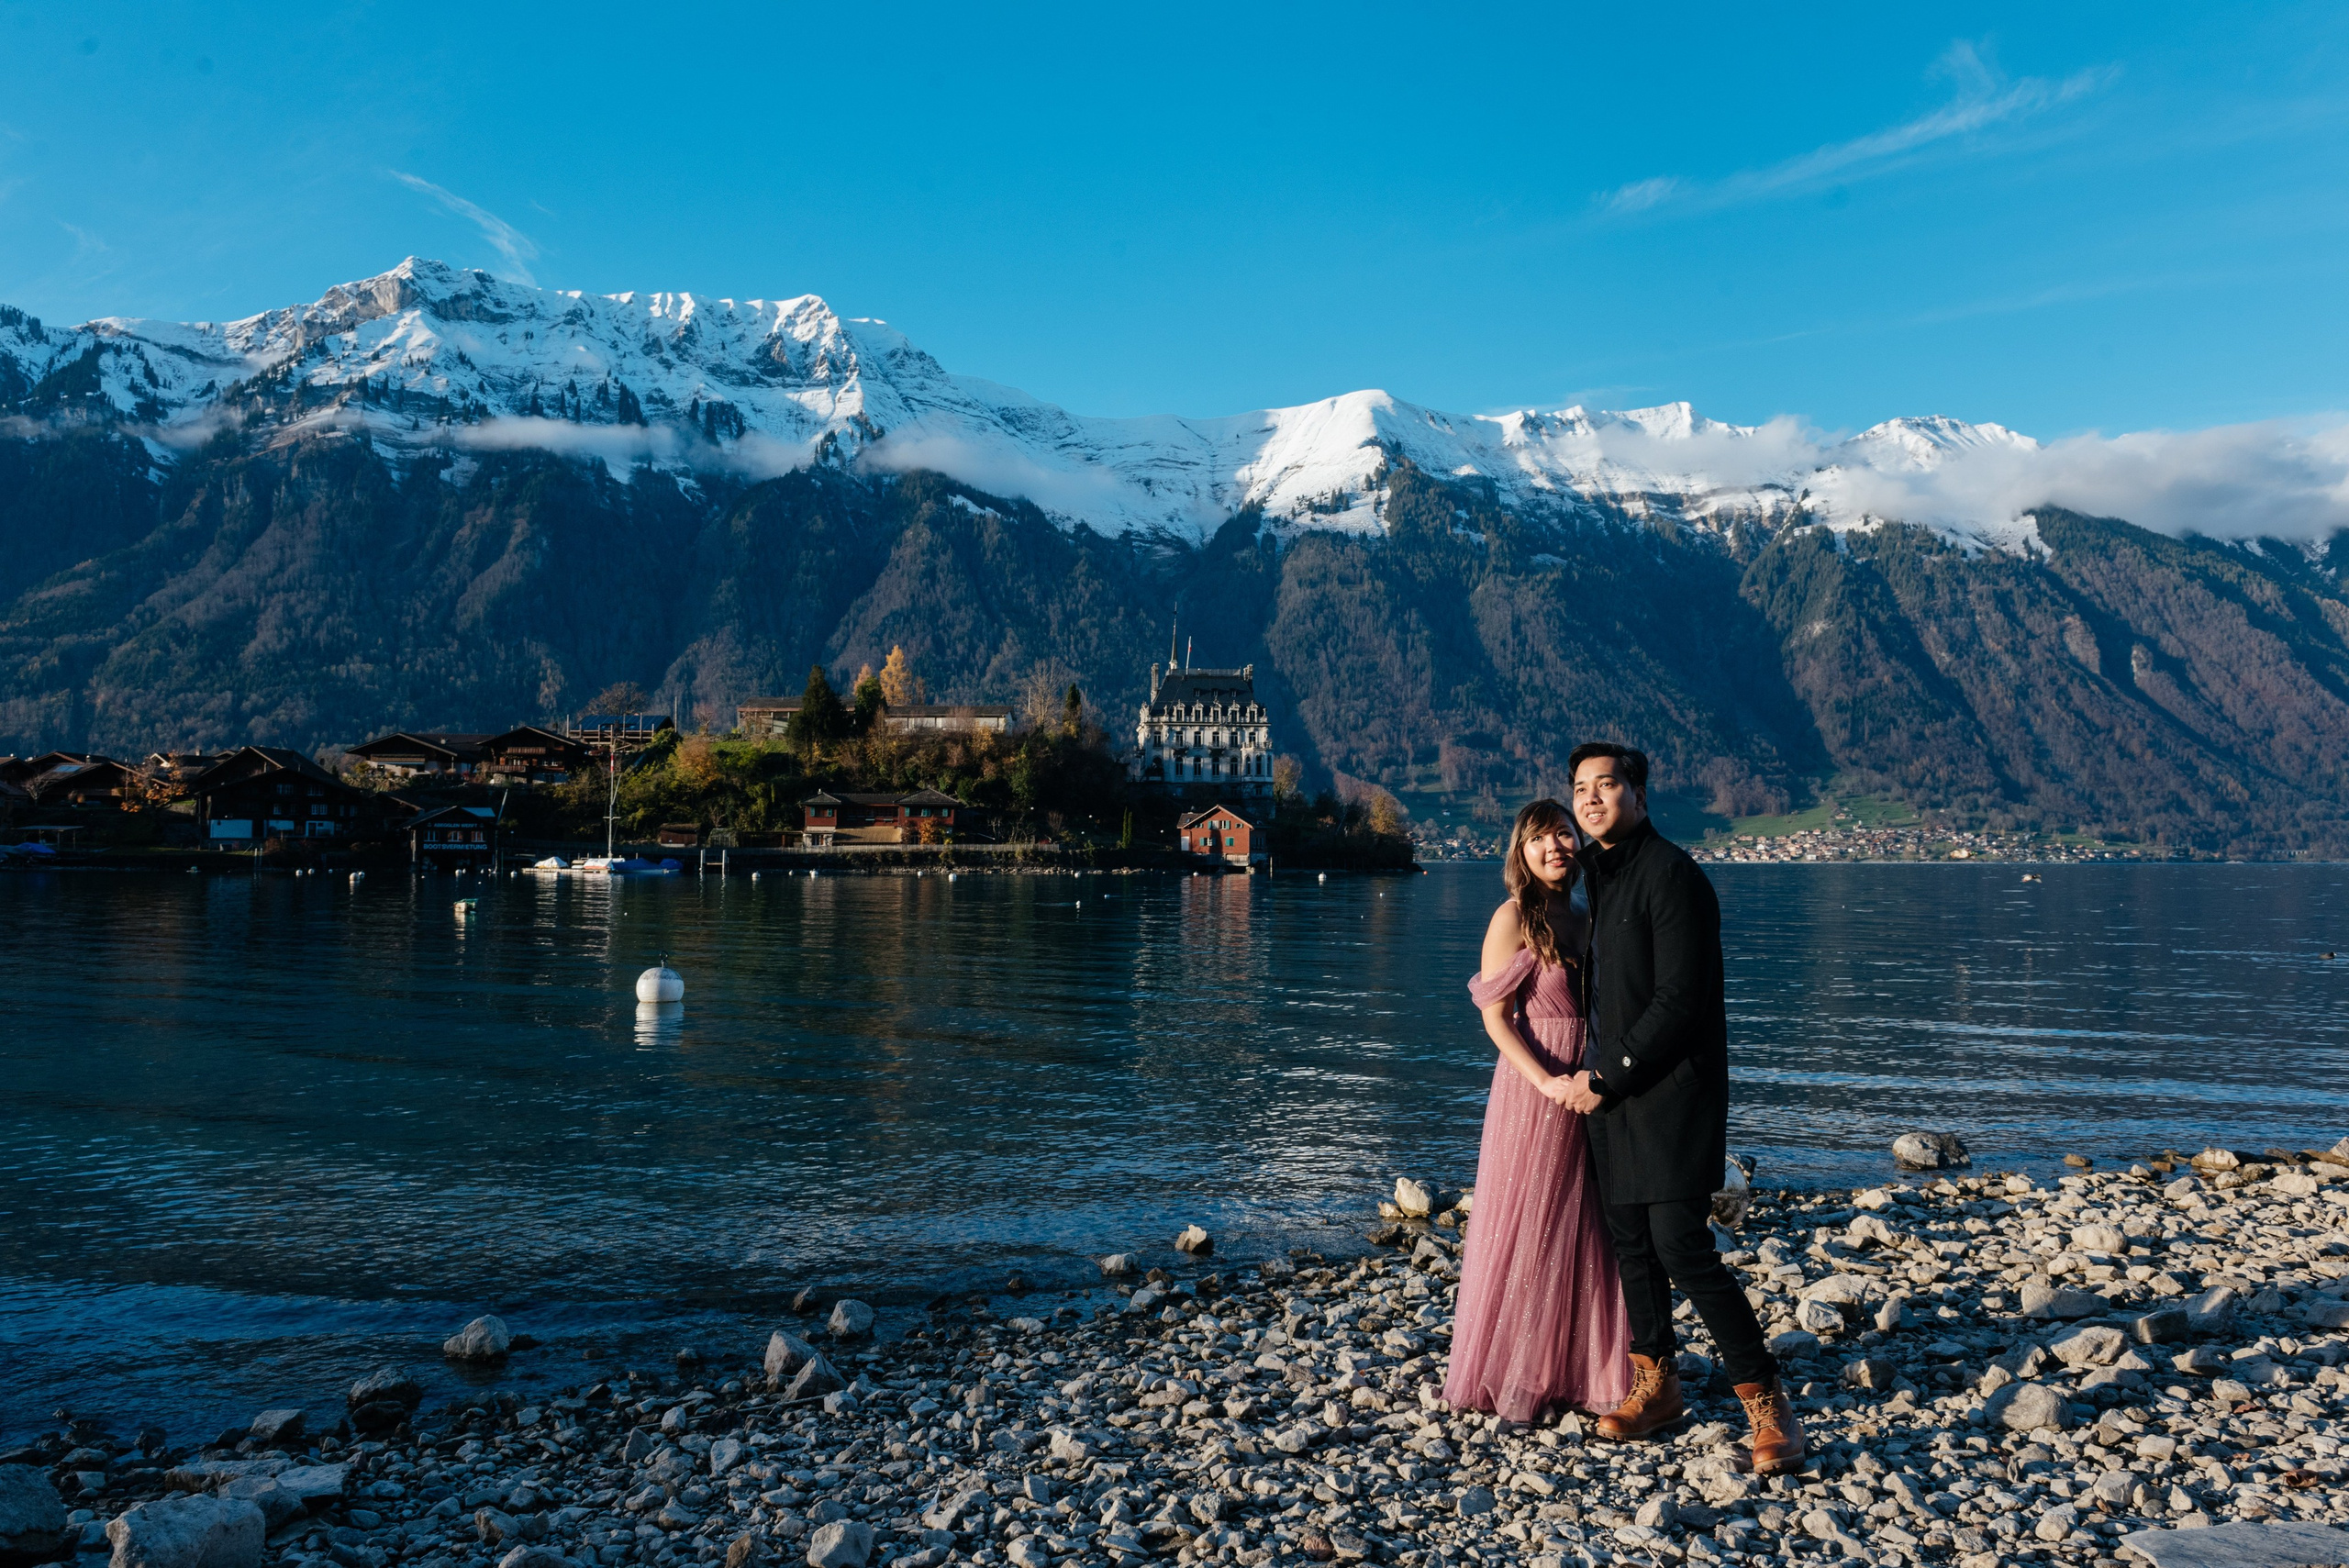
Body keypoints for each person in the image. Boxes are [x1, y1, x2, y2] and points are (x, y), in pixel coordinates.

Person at [1561, 743, 1807, 1474]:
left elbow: (1679, 1000)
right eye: (1581, 787)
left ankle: (1767, 1401)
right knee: (1631, 1245)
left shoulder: (1673, 875)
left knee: (1682, 1247)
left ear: (1638, 794)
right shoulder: (1597, 875)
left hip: (1671, 1094)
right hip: (1611, 1097)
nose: (1591, 797)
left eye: (1607, 784)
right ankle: (1657, 1387)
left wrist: (1606, 1075)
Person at [1443, 798, 1631, 1424]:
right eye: (1539, 839)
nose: (1554, 846)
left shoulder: (1585, 913)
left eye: (1563, 834)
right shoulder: (1513, 916)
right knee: (1536, 1218)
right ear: (1521, 853)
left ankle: (1582, 1368)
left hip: (1593, 1081)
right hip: (1537, 1086)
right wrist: (1546, 1082)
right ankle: (1516, 1367)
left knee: (1589, 1223)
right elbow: (1496, 1020)